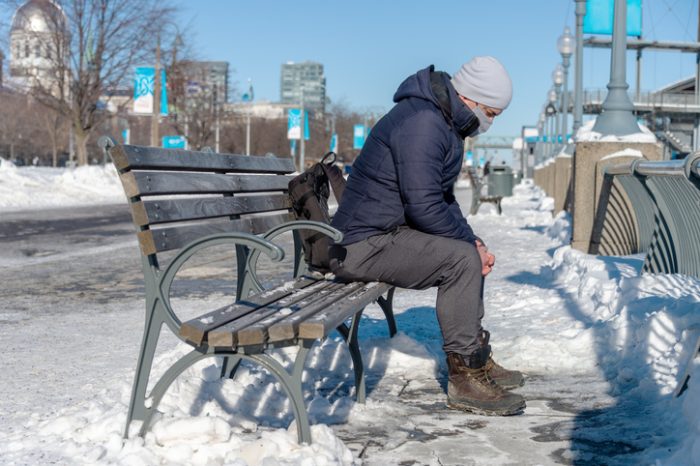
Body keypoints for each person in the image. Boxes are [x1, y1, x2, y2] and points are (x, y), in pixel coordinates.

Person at [329, 57, 525, 416]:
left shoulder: (444, 121)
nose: (491, 122)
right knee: (462, 260)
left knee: (468, 253)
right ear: (472, 99)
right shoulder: (424, 122)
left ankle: (476, 356)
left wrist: (474, 241)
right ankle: (465, 376)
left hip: (384, 234)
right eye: (492, 113)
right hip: (359, 245)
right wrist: (469, 249)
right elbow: (423, 205)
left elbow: (443, 199)